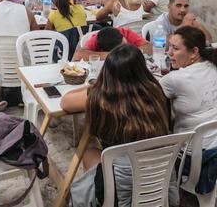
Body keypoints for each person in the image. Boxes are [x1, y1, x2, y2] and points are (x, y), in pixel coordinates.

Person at [61, 44, 173, 207]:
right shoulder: (156, 91)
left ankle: (101, 199)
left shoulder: (102, 98)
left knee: (89, 152)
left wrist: (96, 85)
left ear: (107, 72)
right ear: (142, 69)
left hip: (120, 179)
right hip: (156, 169)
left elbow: (65, 101)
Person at [160, 26, 217, 193]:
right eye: (169, 46)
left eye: (176, 48)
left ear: (194, 52)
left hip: (196, 157)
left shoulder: (176, 79)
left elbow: (147, 94)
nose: (169, 53)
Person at [74, 26, 150, 61]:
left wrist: (128, 52)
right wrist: (114, 55)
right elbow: (79, 54)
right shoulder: (96, 39)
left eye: (124, 44)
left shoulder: (125, 32)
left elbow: (149, 47)